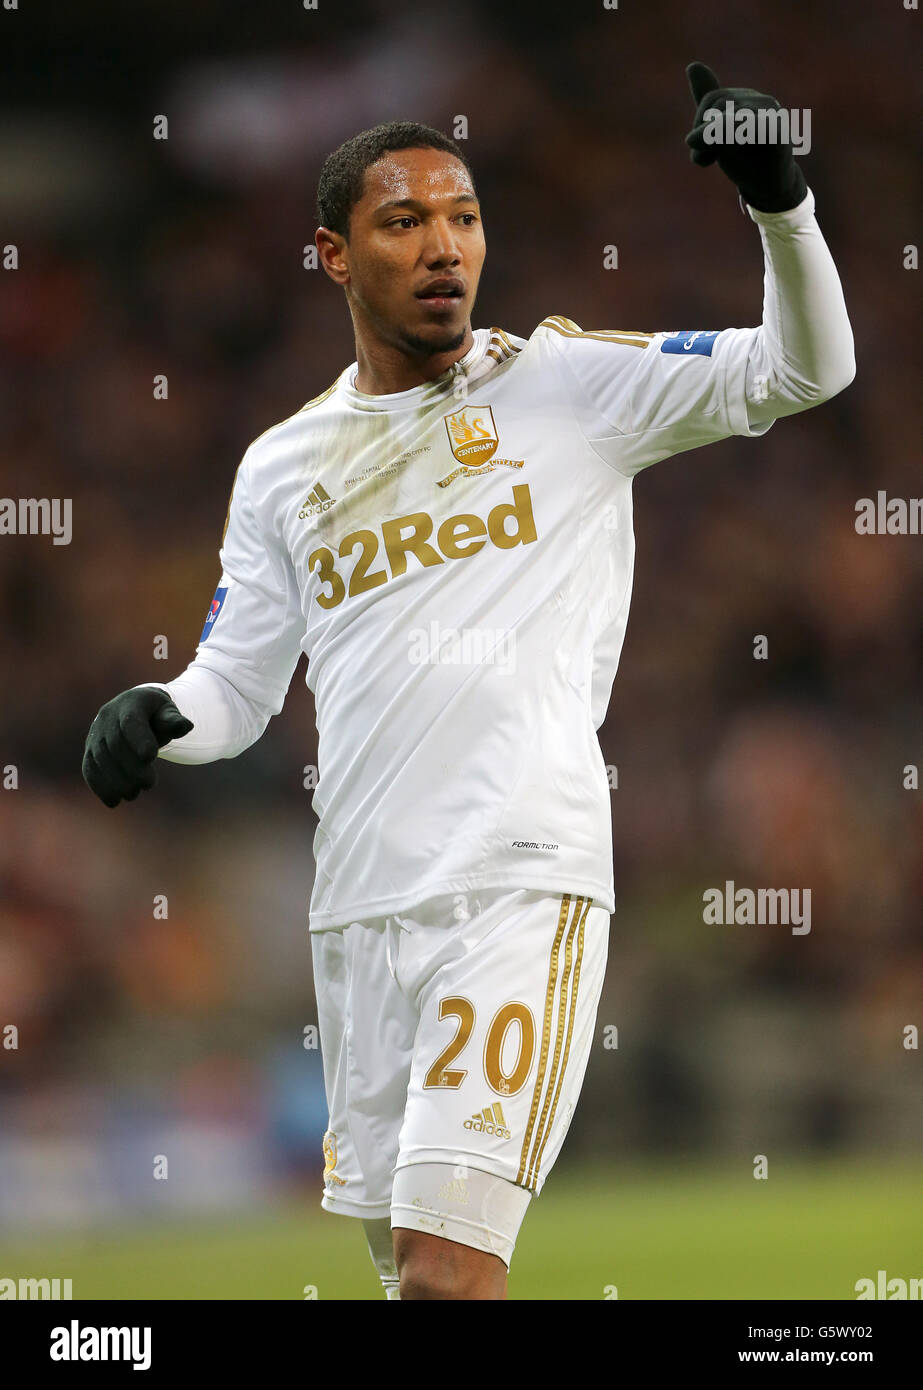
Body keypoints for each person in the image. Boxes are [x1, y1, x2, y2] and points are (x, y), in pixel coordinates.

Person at [83, 64, 855, 1299]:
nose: (444, 247)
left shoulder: (565, 385)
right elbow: (235, 683)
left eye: (464, 218)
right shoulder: (284, 466)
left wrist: (780, 206)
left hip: (514, 882)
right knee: (413, 1279)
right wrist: (161, 718)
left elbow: (802, 371)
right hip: (359, 917)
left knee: (447, 1275)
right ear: (333, 256)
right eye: (404, 223)